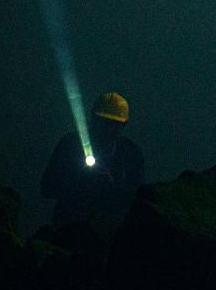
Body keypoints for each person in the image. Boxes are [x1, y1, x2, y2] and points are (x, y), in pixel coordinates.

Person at [40, 92, 144, 224]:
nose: (109, 129)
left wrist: (111, 186)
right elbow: (47, 188)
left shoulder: (130, 153)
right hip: (70, 226)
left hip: (108, 229)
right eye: (105, 123)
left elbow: (137, 198)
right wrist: (82, 181)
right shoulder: (71, 144)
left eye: (115, 124)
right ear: (94, 119)